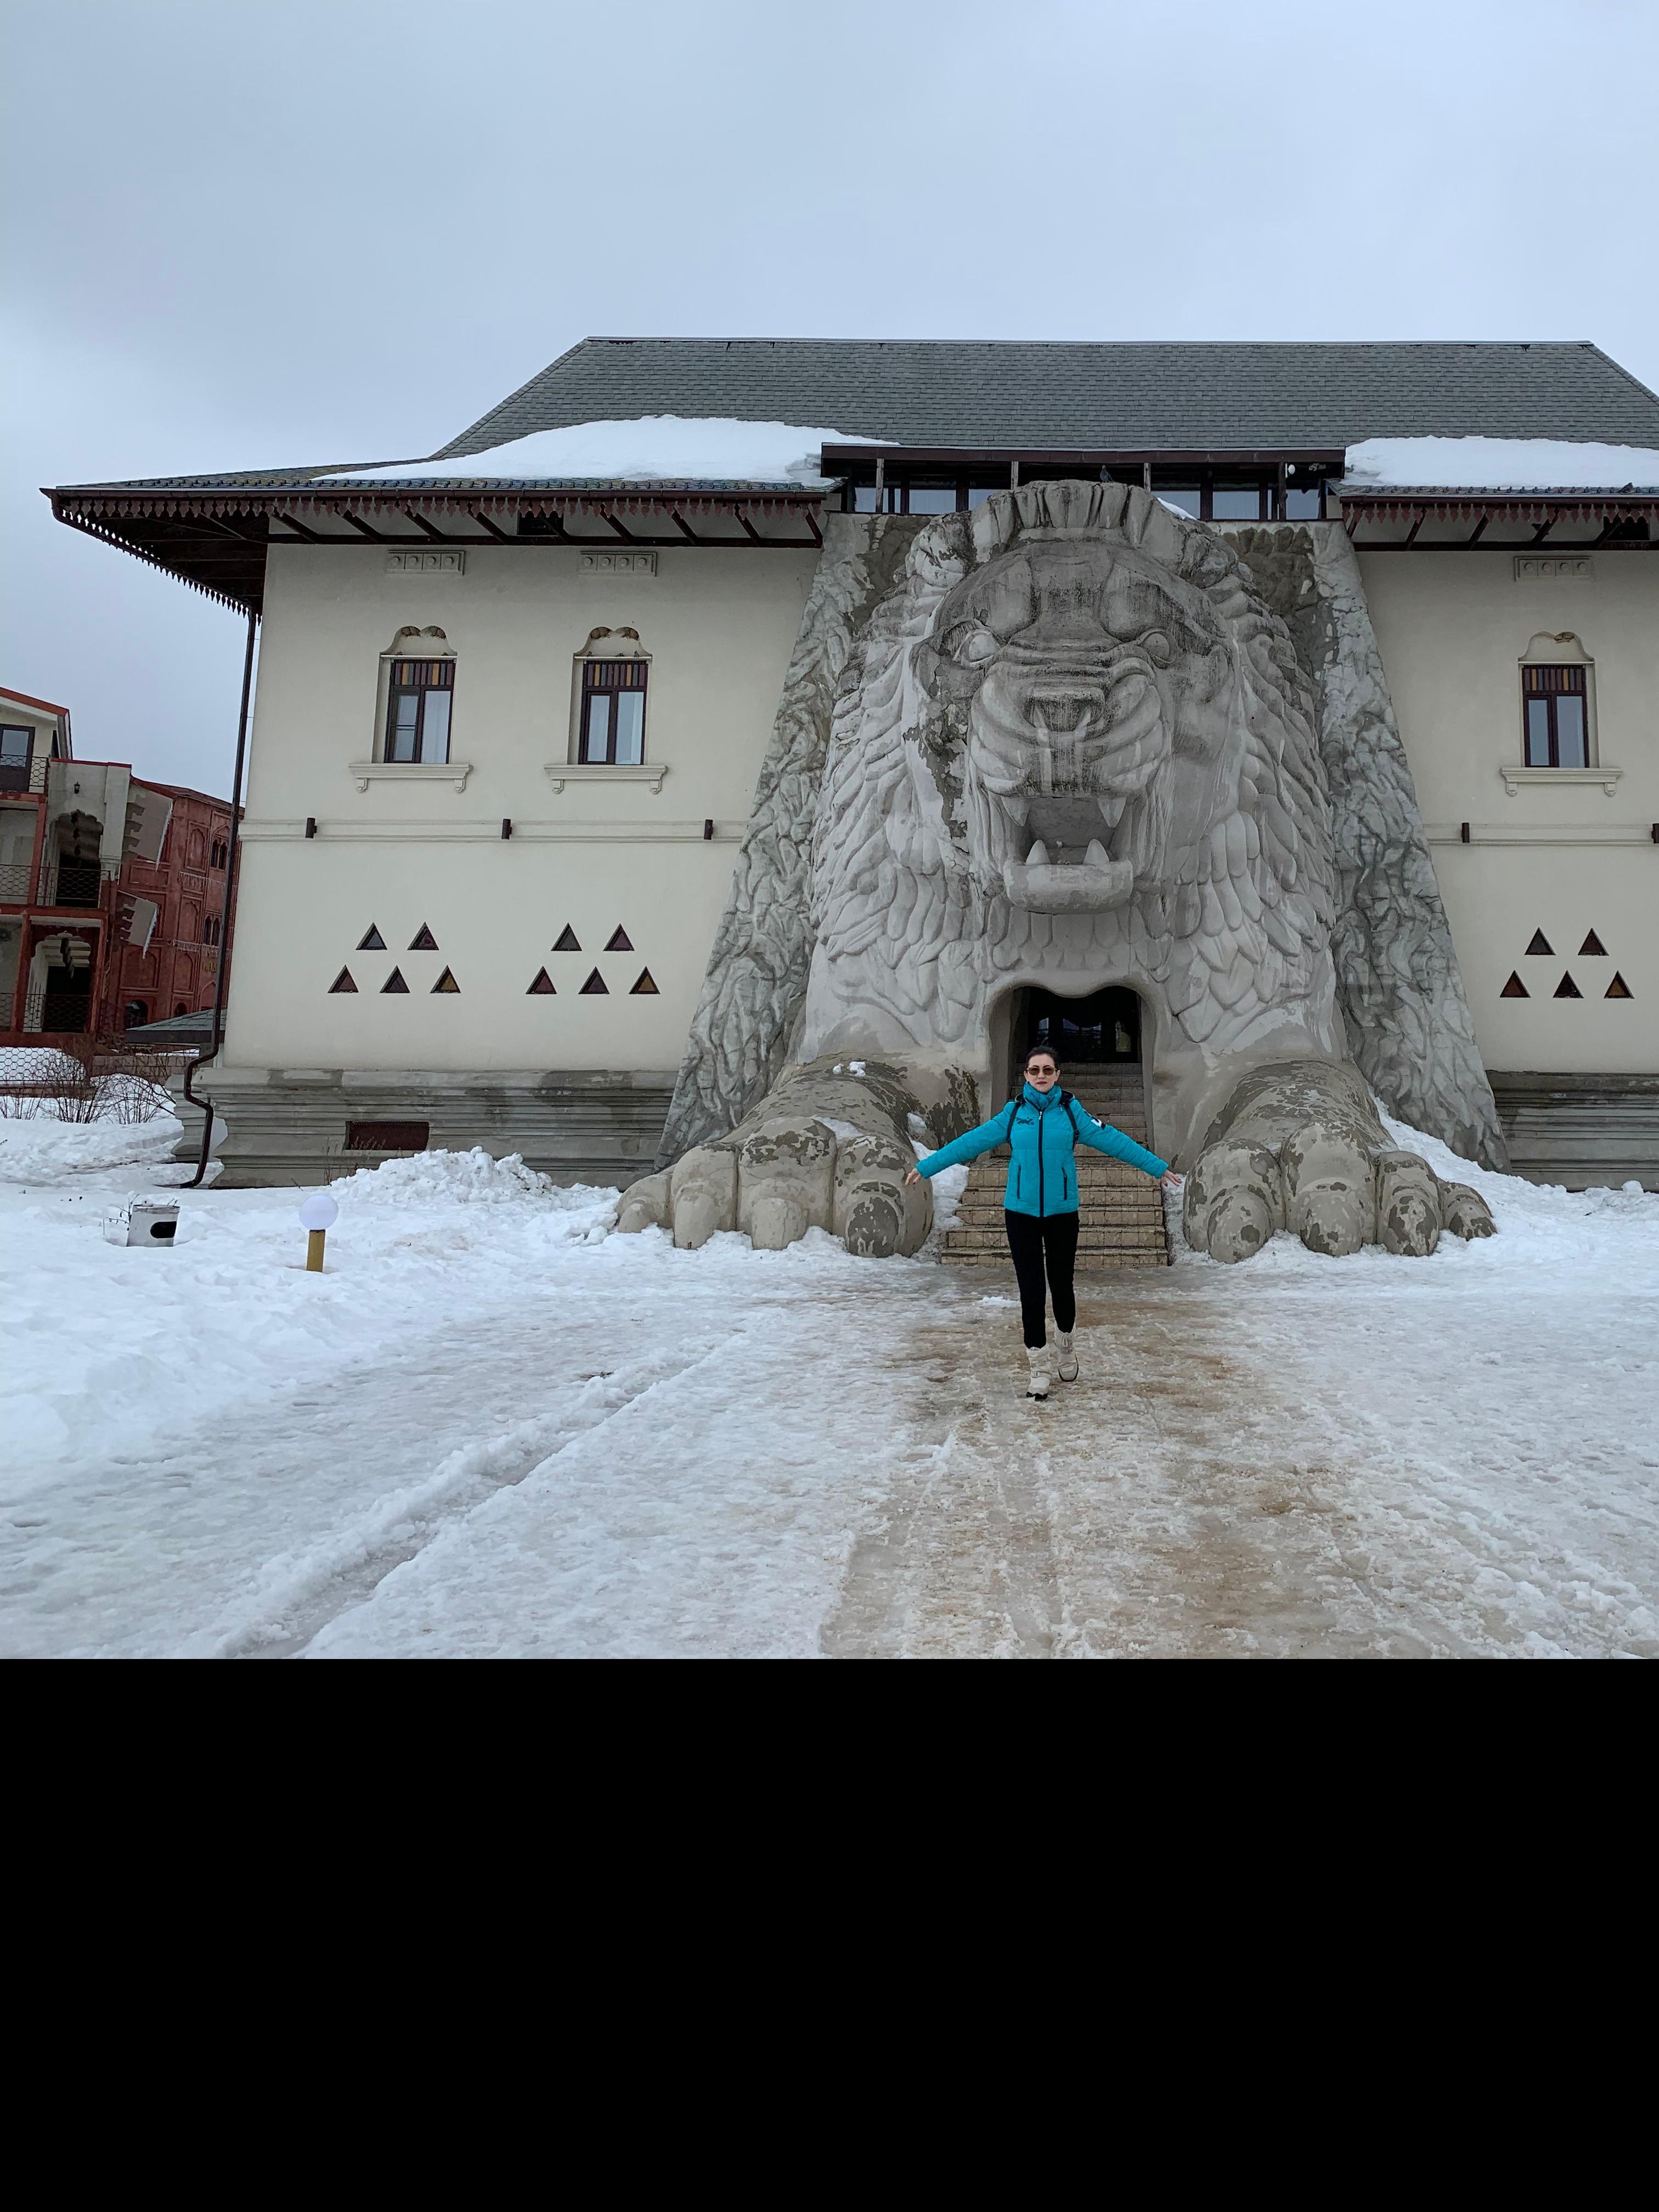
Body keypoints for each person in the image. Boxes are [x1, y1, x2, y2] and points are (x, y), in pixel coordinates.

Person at [907, 1046, 1182, 1400]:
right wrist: (928, 1166)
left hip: (1061, 1214)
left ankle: (1066, 1342)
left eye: (1047, 1070)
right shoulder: (1013, 1114)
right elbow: (969, 1143)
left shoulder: (1071, 1113)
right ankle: (1037, 1364)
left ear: (1057, 1075)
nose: (1041, 1075)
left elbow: (1115, 1142)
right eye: (1034, 1070)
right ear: (1025, 1075)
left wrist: (1157, 1168)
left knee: (1062, 1285)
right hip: (1020, 1213)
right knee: (1031, 1290)